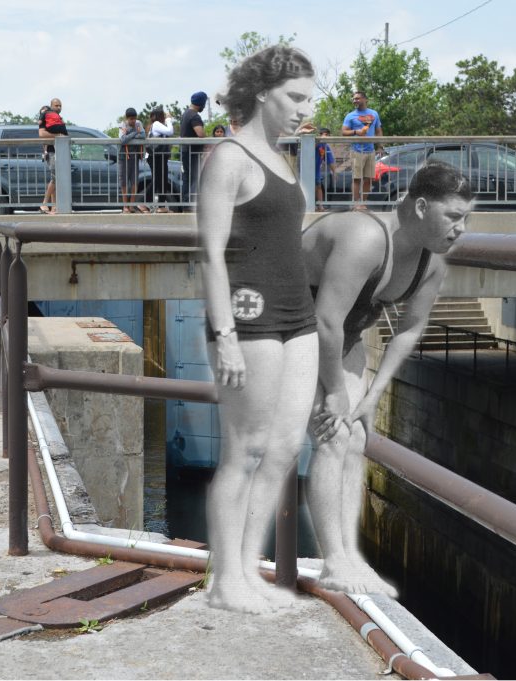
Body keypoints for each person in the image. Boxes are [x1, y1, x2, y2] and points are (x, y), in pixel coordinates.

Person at [302, 161, 473, 594]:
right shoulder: (365, 238)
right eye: (453, 217)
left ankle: (348, 555)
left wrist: (373, 394)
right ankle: (334, 562)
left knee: (356, 435)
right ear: (420, 207)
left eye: (466, 219)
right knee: (333, 435)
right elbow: (324, 319)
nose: (461, 229)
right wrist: (337, 392)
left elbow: (410, 328)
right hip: (283, 328)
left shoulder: (430, 265)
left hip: (342, 335)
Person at [198, 45, 318, 614]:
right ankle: (225, 583)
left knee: (285, 449)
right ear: (264, 94)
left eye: (308, 100)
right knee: (244, 450)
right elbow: (211, 254)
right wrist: (224, 335)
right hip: (250, 320)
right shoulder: (229, 156)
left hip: (299, 317)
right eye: (295, 98)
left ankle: (247, 571)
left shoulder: (283, 157)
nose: (304, 110)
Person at [341, 91, 383, 209]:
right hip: (356, 150)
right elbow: (343, 132)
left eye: (358, 98)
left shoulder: (374, 114)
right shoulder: (350, 115)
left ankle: (363, 203)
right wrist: (356, 132)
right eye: (354, 99)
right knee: (356, 178)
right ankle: (356, 203)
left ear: (365, 99)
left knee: (368, 179)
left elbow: (378, 131)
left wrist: (380, 146)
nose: (355, 101)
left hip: (370, 150)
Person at [38, 98, 68, 214]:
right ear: (51, 106)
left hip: (60, 151)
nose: (59, 108)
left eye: (60, 105)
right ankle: (45, 203)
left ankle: (54, 207)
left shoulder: (58, 120)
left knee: (55, 178)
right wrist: (59, 135)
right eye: (56, 105)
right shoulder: (46, 117)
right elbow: (42, 134)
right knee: (55, 178)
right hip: (52, 151)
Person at [118, 108, 148, 213]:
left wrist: (130, 135)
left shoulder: (139, 123)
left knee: (134, 181)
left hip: (135, 156)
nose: (133, 121)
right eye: (131, 119)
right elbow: (122, 140)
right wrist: (135, 133)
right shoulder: (122, 125)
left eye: (135, 119)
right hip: (123, 157)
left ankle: (131, 206)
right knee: (124, 182)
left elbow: (144, 136)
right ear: (127, 119)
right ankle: (125, 206)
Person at [180, 91, 207, 209]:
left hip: (185, 150)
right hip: (192, 153)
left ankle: (185, 204)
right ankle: (191, 204)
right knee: (195, 177)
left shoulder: (186, 113)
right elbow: (200, 134)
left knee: (187, 178)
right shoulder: (194, 116)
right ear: (201, 103)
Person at [146, 108, 174, 212]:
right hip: (156, 156)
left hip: (160, 156)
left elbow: (168, 130)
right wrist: (168, 120)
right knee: (157, 180)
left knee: (162, 180)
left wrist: (168, 120)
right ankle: (144, 203)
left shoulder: (156, 124)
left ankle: (161, 206)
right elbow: (170, 131)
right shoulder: (157, 124)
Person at [315, 127, 336, 211]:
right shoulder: (316, 142)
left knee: (319, 186)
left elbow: (330, 160)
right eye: (325, 135)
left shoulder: (326, 146)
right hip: (308, 169)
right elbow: (312, 146)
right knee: (313, 187)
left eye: (328, 135)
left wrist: (334, 172)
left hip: (317, 170)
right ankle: (311, 206)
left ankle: (320, 207)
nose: (326, 137)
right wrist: (319, 140)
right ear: (320, 135)